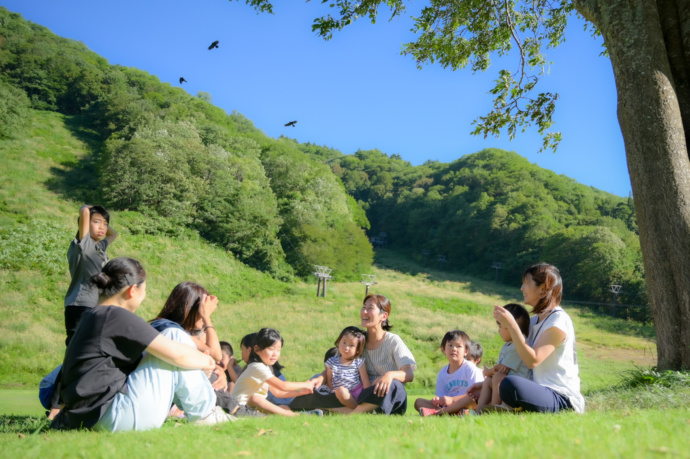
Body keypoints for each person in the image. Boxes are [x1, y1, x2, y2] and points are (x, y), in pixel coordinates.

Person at [51, 258, 232, 431]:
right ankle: (206, 414)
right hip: (115, 416)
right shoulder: (115, 315)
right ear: (132, 290)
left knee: (169, 346)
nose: (144, 296)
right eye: (144, 291)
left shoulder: (91, 316)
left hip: (88, 417)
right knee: (174, 334)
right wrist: (207, 362)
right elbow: (177, 354)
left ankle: (204, 411)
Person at [470, 263, 585, 414]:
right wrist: (488, 384)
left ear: (543, 289)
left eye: (526, 284)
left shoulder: (558, 321)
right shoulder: (533, 321)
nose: (522, 288)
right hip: (536, 389)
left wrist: (511, 324)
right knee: (503, 382)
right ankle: (500, 408)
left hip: (561, 397)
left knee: (511, 385)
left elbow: (533, 360)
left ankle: (506, 409)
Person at [290, 294, 416, 415]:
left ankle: (348, 413)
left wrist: (389, 375)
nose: (364, 312)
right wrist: (320, 378)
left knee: (395, 385)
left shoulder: (393, 341)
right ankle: (356, 411)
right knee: (318, 389)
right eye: (363, 307)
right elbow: (338, 363)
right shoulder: (358, 342)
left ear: (384, 316)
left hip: (386, 397)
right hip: (359, 395)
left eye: (370, 308)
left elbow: (409, 374)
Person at [149, 282, 247, 416]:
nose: (204, 314)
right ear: (191, 309)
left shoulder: (177, 330)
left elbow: (213, 358)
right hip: (158, 398)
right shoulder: (167, 329)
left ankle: (235, 409)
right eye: (203, 309)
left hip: (167, 395)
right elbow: (215, 355)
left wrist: (219, 370)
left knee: (213, 373)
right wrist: (206, 317)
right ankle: (235, 410)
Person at [231, 328, 318, 417]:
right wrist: (305, 384)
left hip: (251, 408)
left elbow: (277, 392)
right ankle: (297, 416)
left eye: (278, 350)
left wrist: (300, 392)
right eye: (271, 349)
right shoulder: (256, 367)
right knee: (256, 398)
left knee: (283, 407)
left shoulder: (265, 367)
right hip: (239, 409)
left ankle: (294, 415)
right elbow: (283, 386)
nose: (275, 354)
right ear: (257, 349)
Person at [64, 205, 117, 345]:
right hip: (80, 305)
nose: (102, 228)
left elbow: (113, 234)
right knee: (77, 349)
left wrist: (102, 219)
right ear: (85, 224)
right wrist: (92, 208)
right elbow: (84, 211)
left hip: (94, 306)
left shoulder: (99, 247)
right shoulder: (84, 245)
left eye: (105, 224)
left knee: (89, 350)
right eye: (96, 222)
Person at [475, 303, 531, 413]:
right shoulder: (508, 345)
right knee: (488, 381)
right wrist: (490, 374)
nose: (499, 331)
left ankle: (498, 407)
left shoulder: (518, 345)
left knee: (497, 377)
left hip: (516, 389)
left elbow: (501, 368)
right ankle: (479, 410)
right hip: (505, 384)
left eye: (501, 327)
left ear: (512, 327)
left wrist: (488, 371)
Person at [414, 330, 483, 416]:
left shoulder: (469, 368)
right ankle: (453, 412)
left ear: (466, 351)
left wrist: (453, 400)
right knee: (419, 402)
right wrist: (437, 400)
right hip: (447, 405)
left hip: (467, 403)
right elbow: (442, 397)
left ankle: (440, 413)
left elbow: (477, 393)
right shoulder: (442, 373)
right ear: (443, 349)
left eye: (458, 346)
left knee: (472, 399)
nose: (454, 349)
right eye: (450, 345)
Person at [325, 326, 370, 409]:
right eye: (344, 342)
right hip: (339, 394)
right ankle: (357, 410)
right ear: (339, 341)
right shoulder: (332, 362)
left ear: (357, 350)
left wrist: (368, 398)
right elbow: (329, 380)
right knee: (340, 391)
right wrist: (332, 391)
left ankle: (358, 409)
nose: (346, 348)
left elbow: (365, 380)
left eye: (351, 345)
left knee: (341, 390)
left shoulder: (358, 362)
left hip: (357, 392)